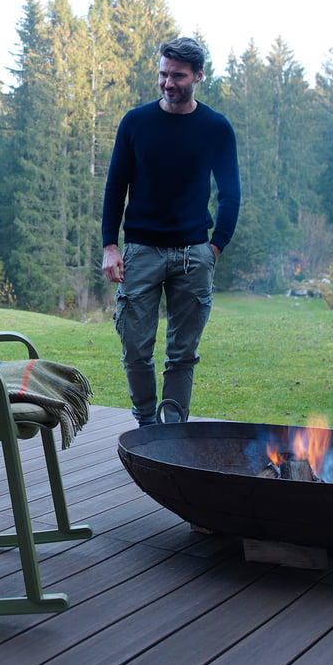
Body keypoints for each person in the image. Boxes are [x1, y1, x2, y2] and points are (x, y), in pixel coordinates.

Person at [101, 36, 240, 426]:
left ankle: (173, 433)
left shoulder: (216, 128)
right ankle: (147, 425)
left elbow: (231, 194)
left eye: (178, 75)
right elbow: (116, 186)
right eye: (163, 74)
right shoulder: (135, 122)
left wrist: (214, 249)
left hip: (193, 253)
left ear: (198, 76)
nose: (168, 83)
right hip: (141, 251)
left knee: (183, 354)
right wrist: (110, 246)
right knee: (135, 348)